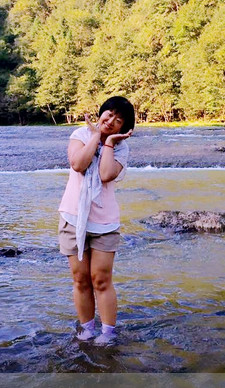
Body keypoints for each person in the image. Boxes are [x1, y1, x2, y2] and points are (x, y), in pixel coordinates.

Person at [57, 96, 135, 345]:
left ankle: (108, 333)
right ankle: (87, 328)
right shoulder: (80, 134)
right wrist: (94, 136)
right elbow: (78, 164)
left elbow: (103, 174)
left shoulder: (121, 147)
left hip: (104, 222)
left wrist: (109, 143)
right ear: (101, 112)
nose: (111, 121)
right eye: (109, 114)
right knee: (80, 279)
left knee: (101, 279)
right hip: (73, 217)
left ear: (123, 128)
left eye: (118, 120)